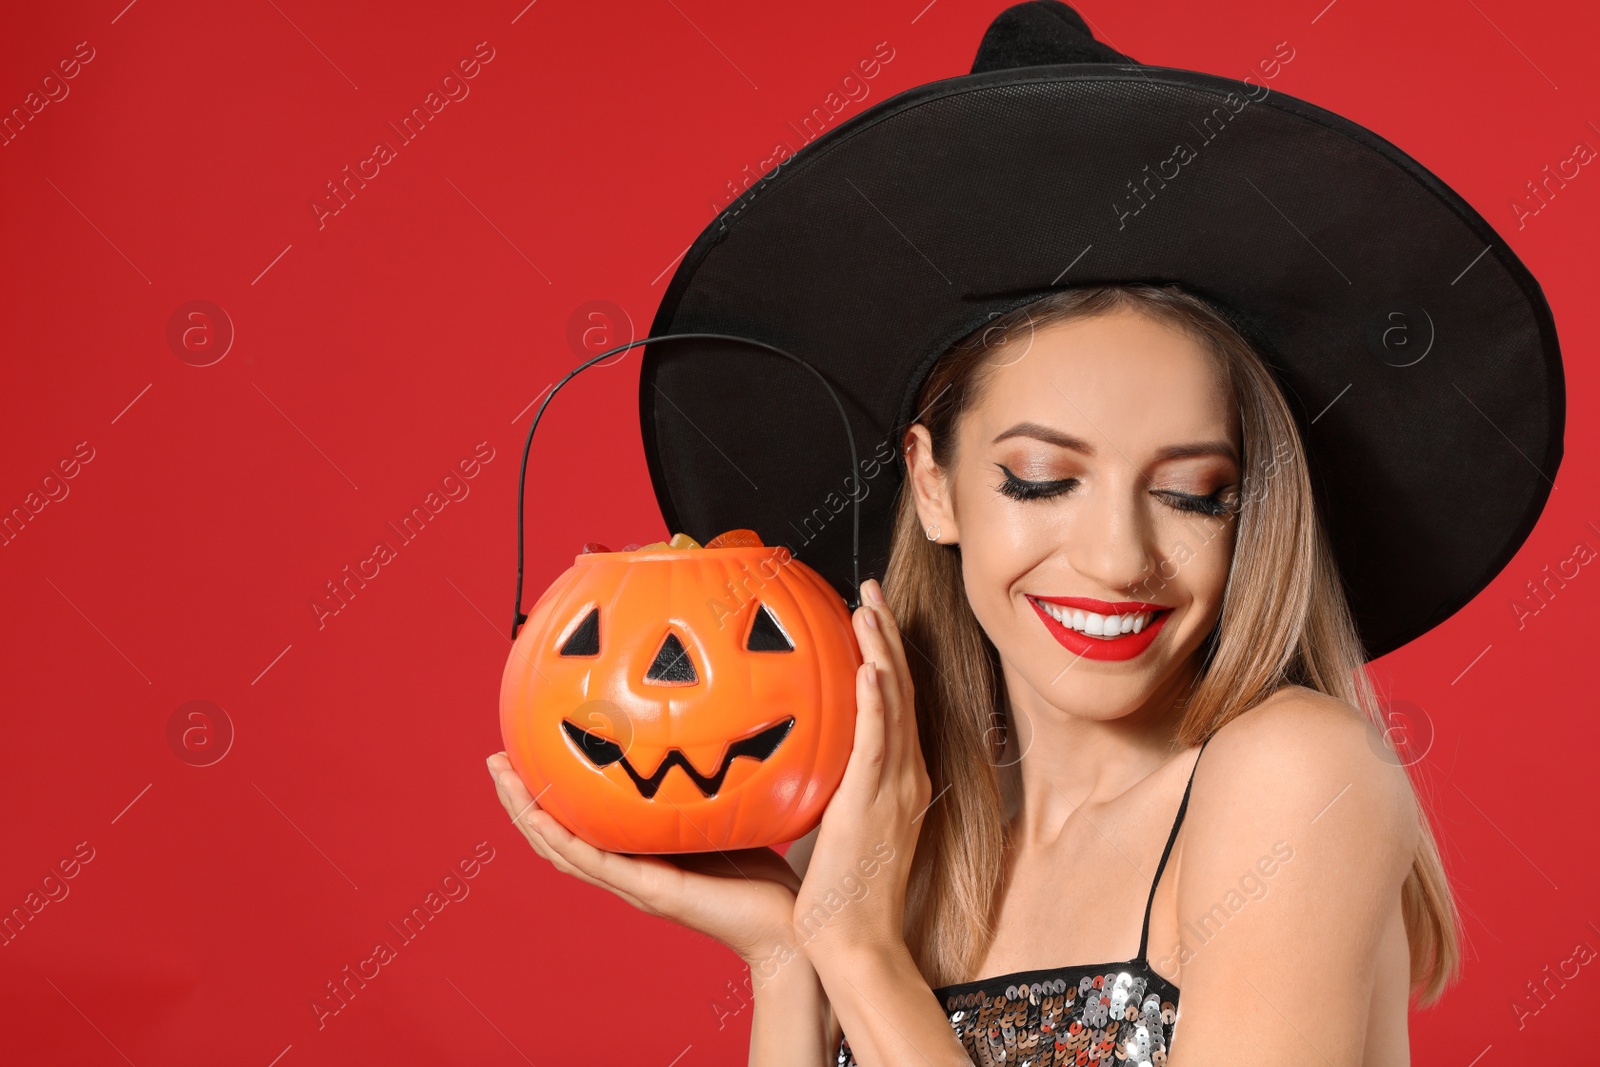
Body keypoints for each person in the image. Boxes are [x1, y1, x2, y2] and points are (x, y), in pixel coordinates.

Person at [490, 2, 1563, 1065]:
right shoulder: (899, 824)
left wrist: (856, 953)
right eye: (1043, 479)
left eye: (1193, 493)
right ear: (934, 484)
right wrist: (786, 954)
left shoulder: (1292, 778)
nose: (1115, 557)